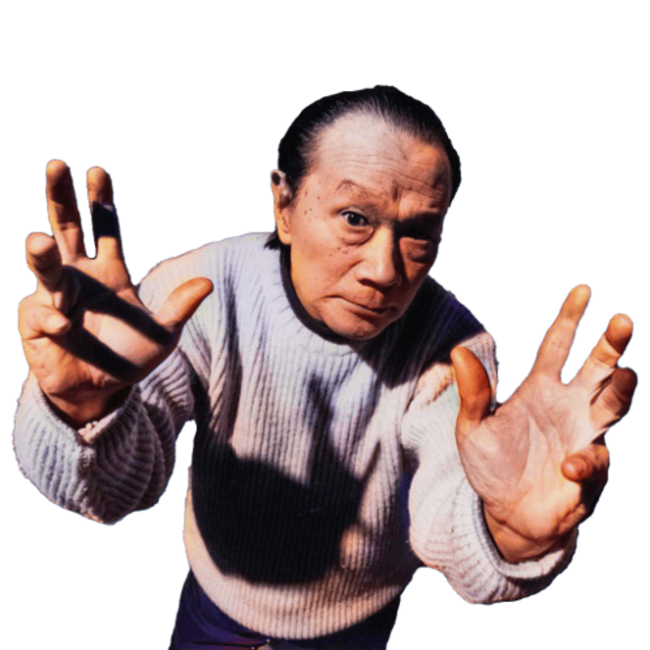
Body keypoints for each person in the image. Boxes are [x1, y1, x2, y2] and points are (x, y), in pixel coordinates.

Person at [14, 86, 636, 650]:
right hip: (214, 608)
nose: (384, 270)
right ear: (284, 205)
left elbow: (445, 507)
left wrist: (510, 533)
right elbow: (113, 493)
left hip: (352, 630)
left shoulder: (453, 350)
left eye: (419, 233)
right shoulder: (200, 294)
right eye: (355, 219)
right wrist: (84, 410)